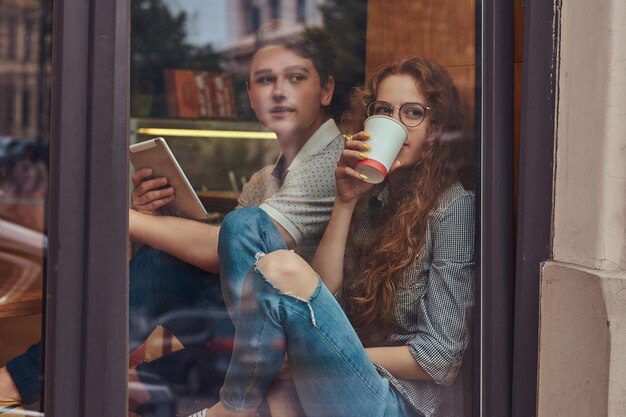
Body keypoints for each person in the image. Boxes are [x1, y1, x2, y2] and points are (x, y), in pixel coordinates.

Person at [205, 57, 475, 417]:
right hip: (338, 383)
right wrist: (345, 201)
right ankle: (262, 402)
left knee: (282, 268)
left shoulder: (452, 208)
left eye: (412, 113)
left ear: (436, 128)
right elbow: (327, 295)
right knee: (249, 232)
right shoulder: (374, 198)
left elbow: (440, 358)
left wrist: (332, 354)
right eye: (383, 111)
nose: (395, 124)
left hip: (397, 402)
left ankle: (238, 409)